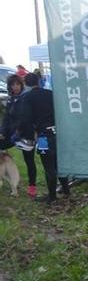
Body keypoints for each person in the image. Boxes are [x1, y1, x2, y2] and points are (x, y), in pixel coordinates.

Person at [17, 72, 69, 203]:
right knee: (59, 163)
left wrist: (24, 134)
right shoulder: (50, 93)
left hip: (43, 135)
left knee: (48, 165)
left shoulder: (27, 97)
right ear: (39, 81)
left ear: (26, 84)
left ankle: (52, 196)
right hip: (57, 132)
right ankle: (66, 190)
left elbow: (26, 119)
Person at [1, 75, 38, 198]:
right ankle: (5, 174)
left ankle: (32, 186)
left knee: (29, 161)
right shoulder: (11, 99)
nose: (15, 87)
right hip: (11, 133)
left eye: (17, 84)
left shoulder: (27, 97)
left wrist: (18, 132)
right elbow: (7, 118)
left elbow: (26, 118)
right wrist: (2, 131)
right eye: (12, 85)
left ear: (21, 85)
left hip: (25, 134)